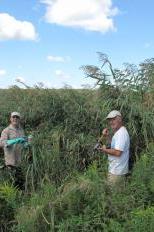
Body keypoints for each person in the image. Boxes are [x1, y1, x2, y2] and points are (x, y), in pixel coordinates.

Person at [98, 110, 130, 186]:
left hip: (117, 172)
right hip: (116, 170)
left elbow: (118, 152)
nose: (111, 122)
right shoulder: (119, 132)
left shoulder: (121, 134)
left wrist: (104, 150)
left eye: (113, 119)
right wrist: (107, 136)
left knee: (114, 196)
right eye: (110, 120)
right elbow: (115, 147)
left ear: (120, 119)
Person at [0, 112, 25, 188]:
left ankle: (22, 199)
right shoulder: (6, 130)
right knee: (12, 184)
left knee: (21, 184)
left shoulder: (21, 130)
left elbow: (23, 143)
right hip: (11, 162)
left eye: (17, 117)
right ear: (10, 119)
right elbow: (1, 143)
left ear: (19, 119)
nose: (15, 119)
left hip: (20, 161)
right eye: (13, 117)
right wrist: (13, 141)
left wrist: (26, 143)